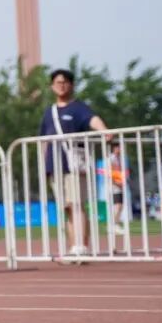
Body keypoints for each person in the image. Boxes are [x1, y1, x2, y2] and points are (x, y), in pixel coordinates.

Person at [38, 68, 108, 259]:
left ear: (71, 85)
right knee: (67, 207)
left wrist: (104, 131)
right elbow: (43, 139)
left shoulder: (78, 108)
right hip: (55, 166)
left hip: (74, 165)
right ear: (52, 86)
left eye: (65, 82)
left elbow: (92, 119)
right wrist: (44, 165)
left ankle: (82, 245)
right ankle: (73, 246)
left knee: (77, 204)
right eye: (58, 83)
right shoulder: (49, 112)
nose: (61, 86)